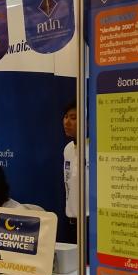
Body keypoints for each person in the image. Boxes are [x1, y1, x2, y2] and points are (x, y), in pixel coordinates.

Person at [61, 101, 78, 244]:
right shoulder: (68, 149)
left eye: (73, 118)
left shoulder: (95, 148)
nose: (67, 122)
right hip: (71, 220)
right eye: (66, 117)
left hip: (91, 220)